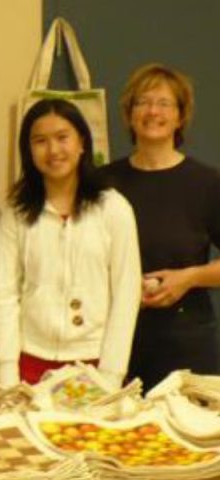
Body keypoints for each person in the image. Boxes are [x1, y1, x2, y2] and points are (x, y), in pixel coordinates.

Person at [0, 98, 141, 388]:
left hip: (95, 364)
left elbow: (126, 293)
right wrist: (7, 375)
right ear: (29, 150)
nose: (53, 150)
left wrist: (111, 375)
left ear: (81, 143)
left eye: (62, 137)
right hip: (29, 364)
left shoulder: (113, 208)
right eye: (40, 141)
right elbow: (4, 295)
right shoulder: (17, 213)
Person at [101, 64, 220, 390]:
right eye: (143, 102)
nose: (153, 111)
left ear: (181, 116)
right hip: (115, 342)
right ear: (129, 114)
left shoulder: (207, 183)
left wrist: (189, 277)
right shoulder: (103, 183)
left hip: (187, 342)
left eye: (164, 103)